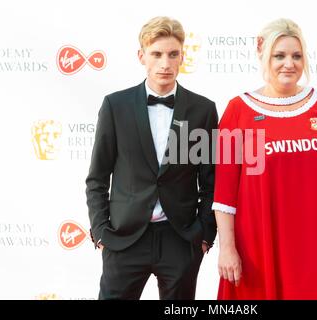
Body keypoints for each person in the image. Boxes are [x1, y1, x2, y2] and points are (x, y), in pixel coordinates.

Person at [212, 18, 317, 299]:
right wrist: (227, 247)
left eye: (296, 56)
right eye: (280, 55)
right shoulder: (238, 110)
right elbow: (224, 194)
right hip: (261, 246)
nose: (289, 63)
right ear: (264, 57)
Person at [86, 16, 218, 300]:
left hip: (179, 238)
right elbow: (97, 177)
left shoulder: (203, 110)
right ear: (141, 56)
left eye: (173, 54)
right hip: (124, 238)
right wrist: (100, 231)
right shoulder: (115, 105)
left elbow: (211, 181)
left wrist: (204, 234)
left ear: (183, 56)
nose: (165, 63)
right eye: (156, 54)